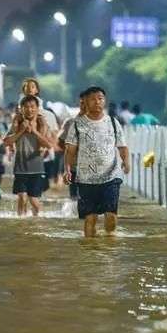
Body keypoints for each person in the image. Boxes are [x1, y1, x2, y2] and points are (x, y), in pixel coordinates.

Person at [64, 86, 130, 238]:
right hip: (86, 179)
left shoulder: (113, 122)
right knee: (90, 218)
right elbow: (70, 151)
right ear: (85, 101)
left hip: (111, 177)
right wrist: (67, 170)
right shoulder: (77, 124)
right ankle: (90, 254)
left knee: (111, 215)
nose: (97, 102)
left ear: (104, 101)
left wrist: (126, 161)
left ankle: (109, 248)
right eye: (93, 99)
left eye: (100, 98)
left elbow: (122, 146)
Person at [4, 95, 52, 216]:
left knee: (33, 200)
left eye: (32, 107)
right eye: (26, 107)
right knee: (22, 198)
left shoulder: (42, 124)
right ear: (21, 109)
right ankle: (22, 224)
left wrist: (34, 131)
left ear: (37, 108)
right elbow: (6, 142)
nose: (29, 109)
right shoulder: (17, 123)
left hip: (37, 169)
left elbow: (48, 144)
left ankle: (38, 221)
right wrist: (21, 131)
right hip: (20, 168)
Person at [20, 78, 58, 190]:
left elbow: (53, 134)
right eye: (26, 87)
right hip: (25, 154)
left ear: (37, 90)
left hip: (44, 153)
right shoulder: (18, 114)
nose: (29, 89)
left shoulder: (47, 114)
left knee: (42, 186)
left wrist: (48, 148)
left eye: (32, 86)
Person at [58, 92, 87, 200]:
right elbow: (60, 142)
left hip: (92, 169)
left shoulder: (99, 123)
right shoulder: (70, 122)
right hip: (74, 167)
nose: (84, 105)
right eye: (82, 103)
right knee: (74, 198)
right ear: (79, 103)